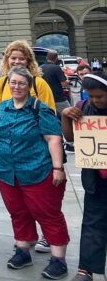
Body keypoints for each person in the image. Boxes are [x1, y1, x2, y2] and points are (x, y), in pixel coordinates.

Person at [0, 66, 69, 279]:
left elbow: (53, 138)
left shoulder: (39, 109)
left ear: (29, 86)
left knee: (47, 213)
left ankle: (59, 260)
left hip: (36, 170)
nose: (16, 86)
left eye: (21, 83)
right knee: (18, 212)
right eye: (13, 83)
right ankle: (23, 250)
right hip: (6, 171)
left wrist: (58, 168)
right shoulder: (3, 107)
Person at [61, 72, 107, 281]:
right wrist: (65, 117)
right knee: (92, 222)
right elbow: (71, 138)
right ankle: (85, 269)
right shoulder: (83, 108)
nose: (95, 100)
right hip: (95, 179)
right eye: (91, 96)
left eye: (100, 96)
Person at [0, 40, 55, 120]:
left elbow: (50, 114)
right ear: (7, 60)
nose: (17, 62)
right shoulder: (2, 82)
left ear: (28, 61)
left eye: (22, 59)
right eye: (13, 58)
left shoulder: (39, 83)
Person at [41, 50, 70, 116]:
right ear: (56, 58)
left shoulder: (40, 68)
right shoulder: (56, 68)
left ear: (46, 58)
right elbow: (64, 84)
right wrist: (68, 80)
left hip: (44, 98)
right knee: (69, 114)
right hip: (58, 98)